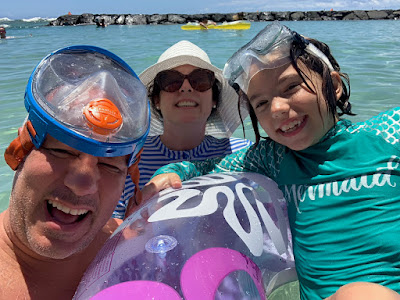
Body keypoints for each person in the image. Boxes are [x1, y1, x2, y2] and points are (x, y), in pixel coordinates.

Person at [143, 22, 400, 299]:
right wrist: (171, 171)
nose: (277, 108)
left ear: (334, 85)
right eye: (261, 104)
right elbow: (205, 168)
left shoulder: (388, 132)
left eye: (291, 87)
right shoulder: (273, 157)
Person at [0, 45, 150, 299]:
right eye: (62, 152)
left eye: (109, 164)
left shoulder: (134, 248)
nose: (82, 184)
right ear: (20, 150)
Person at [113, 40, 252, 219]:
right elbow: (109, 227)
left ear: (214, 100)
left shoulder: (246, 154)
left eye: (200, 80)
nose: (186, 88)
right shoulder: (128, 160)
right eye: (171, 81)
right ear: (156, 100)